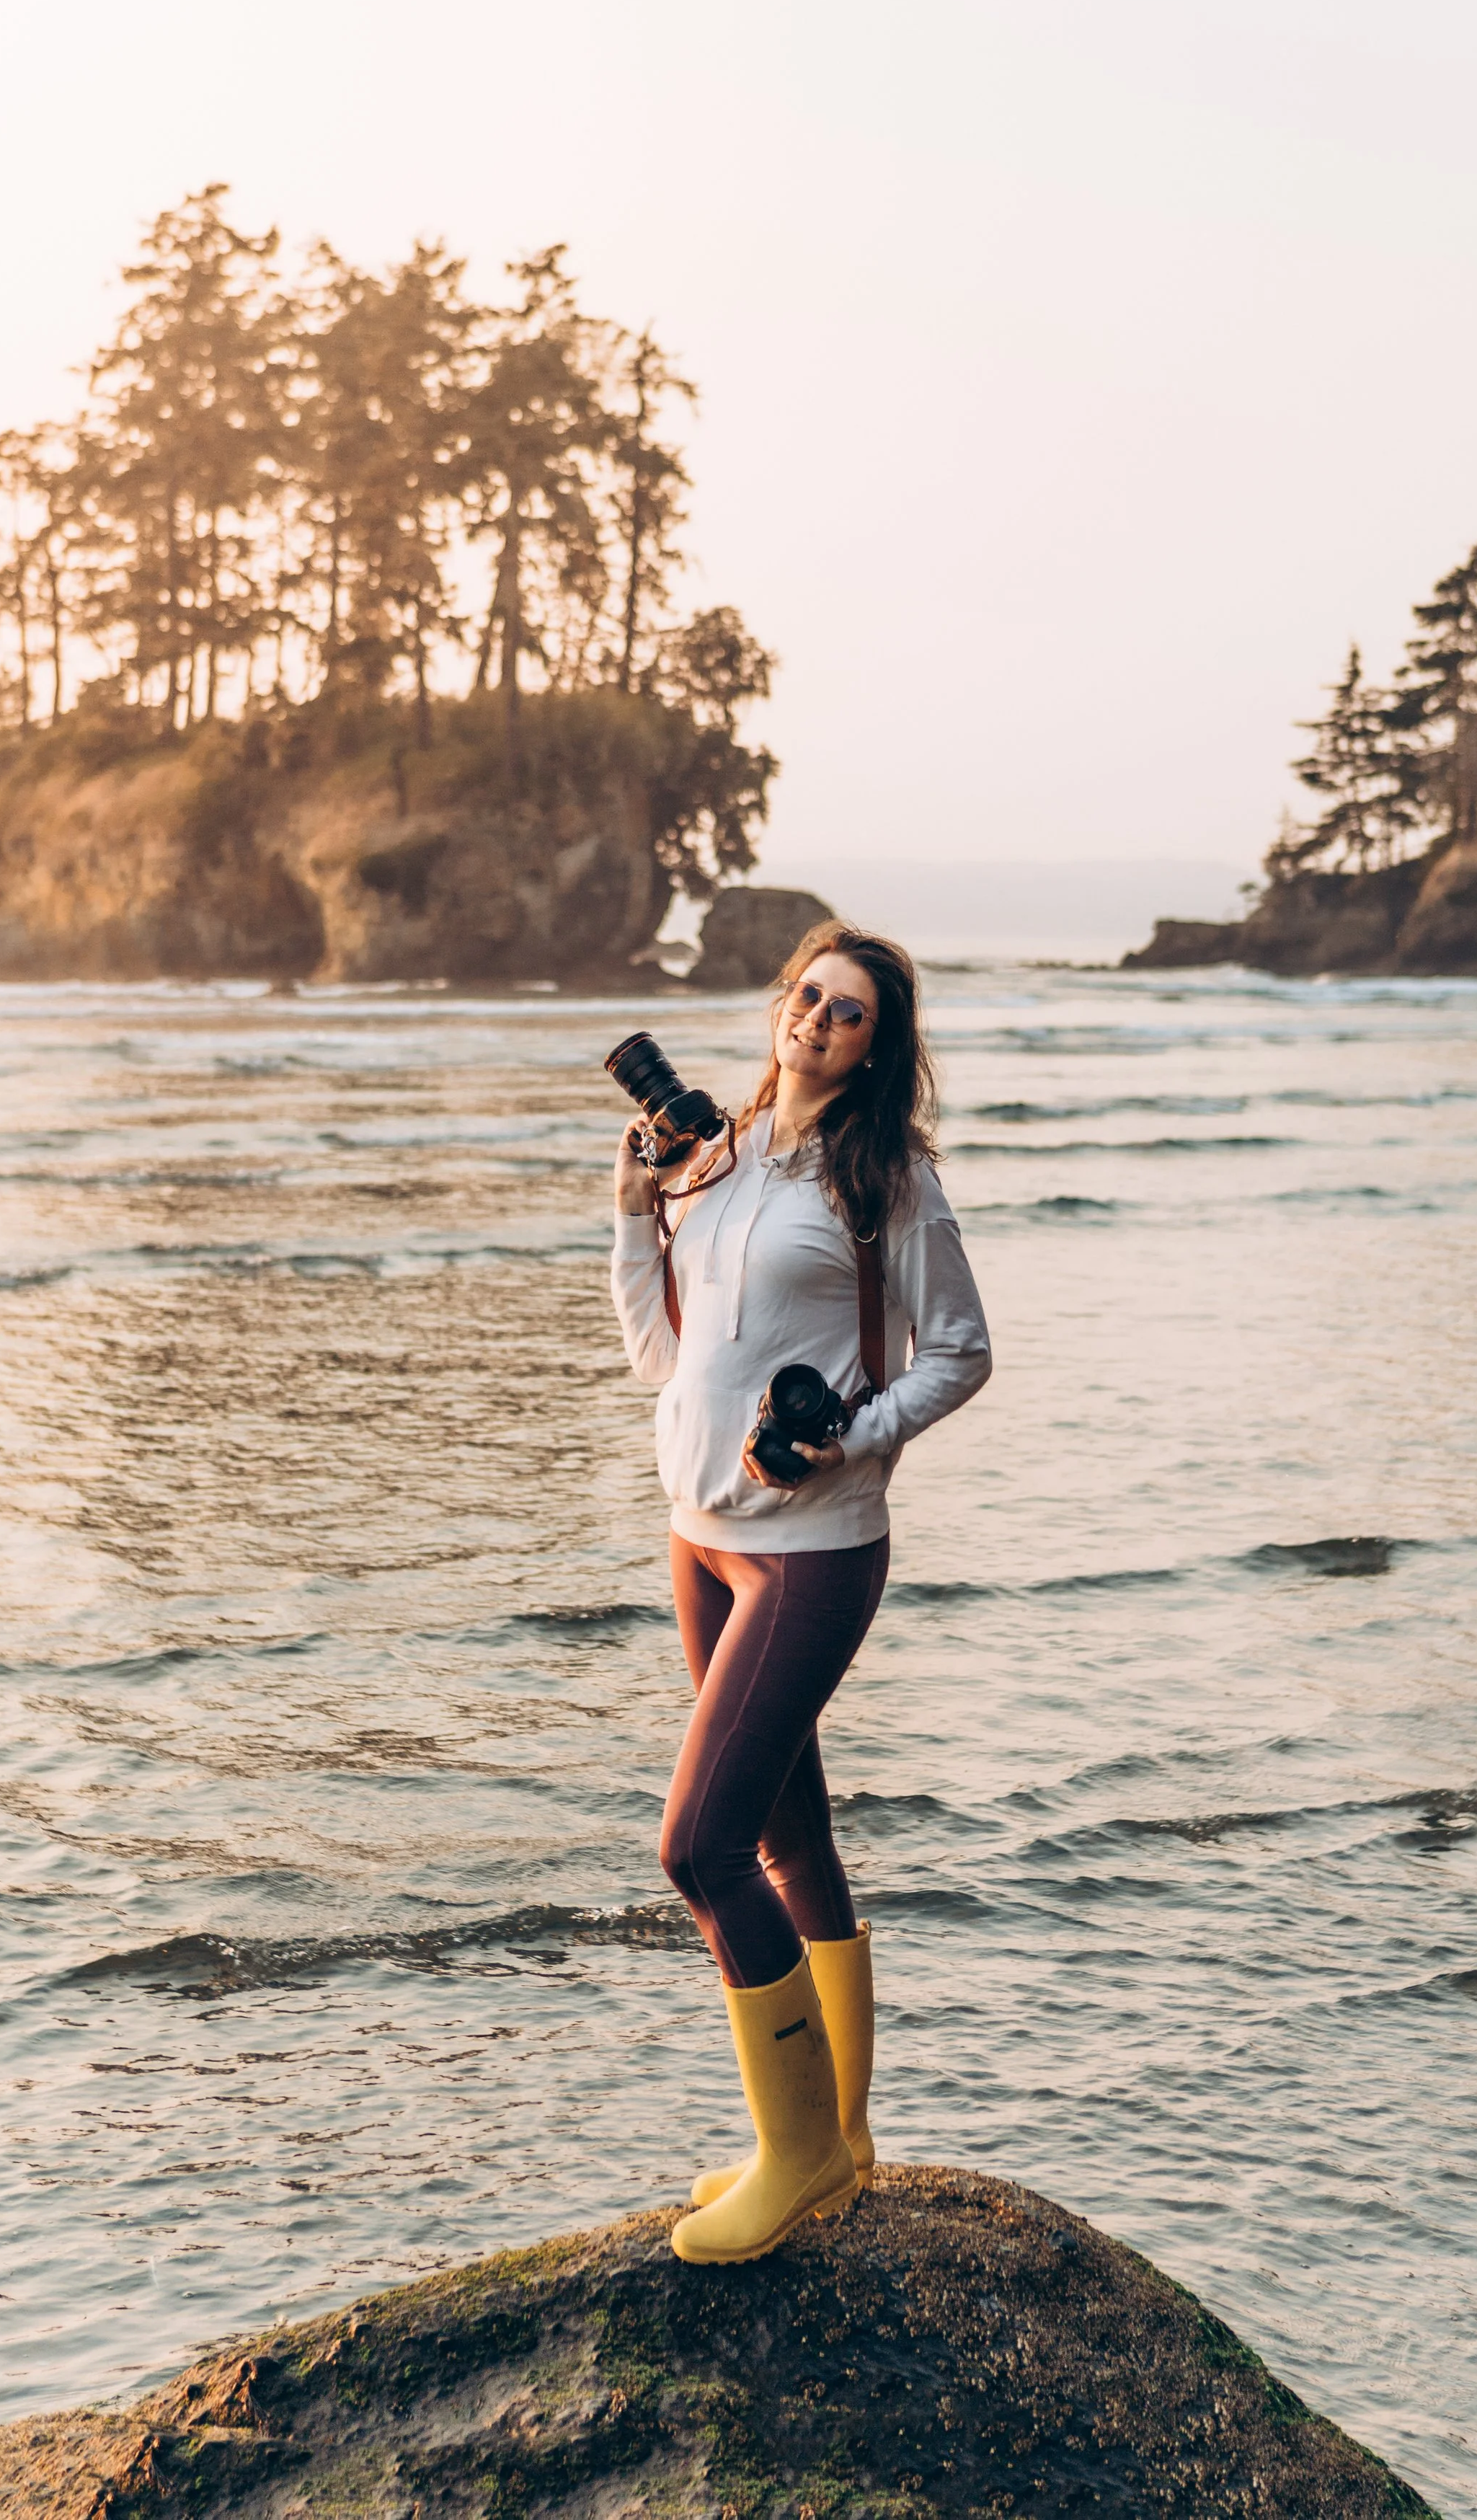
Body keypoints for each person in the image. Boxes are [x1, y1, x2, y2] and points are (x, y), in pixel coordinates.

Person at [611, 920, 993, 2265]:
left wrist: (860, 1429)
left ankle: (799, 2151)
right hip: (699, 1530)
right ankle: (844, 2131)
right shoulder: (719, 1159)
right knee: (789, 1837)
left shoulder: (885, 1178)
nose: (819, 1022)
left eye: (851, 1014)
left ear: (877, 1047)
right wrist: (632, 1214)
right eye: (808, 997)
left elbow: (963, 1351)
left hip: (811, 1544)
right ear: (781, 1005)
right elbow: (665, 1356)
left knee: (697, 1849)